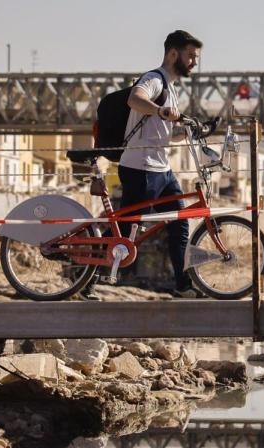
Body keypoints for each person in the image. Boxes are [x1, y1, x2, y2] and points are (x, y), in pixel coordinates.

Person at [83, 30, 202, 300]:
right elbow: (134, 99)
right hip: (141, 168)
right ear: (174, 54)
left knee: (180, 223)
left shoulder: (171, 89)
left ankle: (182, 285)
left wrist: (191, 131)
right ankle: (89, 279)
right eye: (191, 56)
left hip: (162, 170)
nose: (195, 62)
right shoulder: (154, 79)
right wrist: (160, 110)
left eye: (197, 58)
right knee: (126, 230)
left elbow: (162, 134)